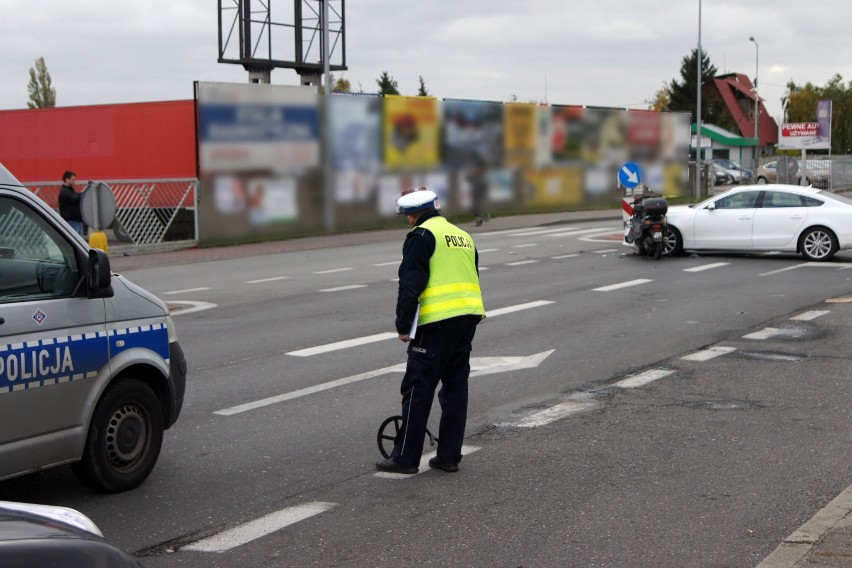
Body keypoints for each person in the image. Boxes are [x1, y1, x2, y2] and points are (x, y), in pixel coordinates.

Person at [376, 188, 486, 475]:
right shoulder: (463, 236)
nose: (407, 221)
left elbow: (411, 283)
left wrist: (403, 325)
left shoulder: (422, 236)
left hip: (435, 322)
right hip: (467, 319)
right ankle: (448, 456)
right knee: (454, 390)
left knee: (417, 389)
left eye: (407, 216)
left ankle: (405, 458)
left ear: (413, 215)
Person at [58, 171, 84, 236]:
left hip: (76, 221)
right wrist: (85, 192)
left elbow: (77, 197)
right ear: (67, 179)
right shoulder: (64, 192)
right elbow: (75, 198)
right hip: (71, 221)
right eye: (73, 179)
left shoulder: (69, 191)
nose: (74, 181)